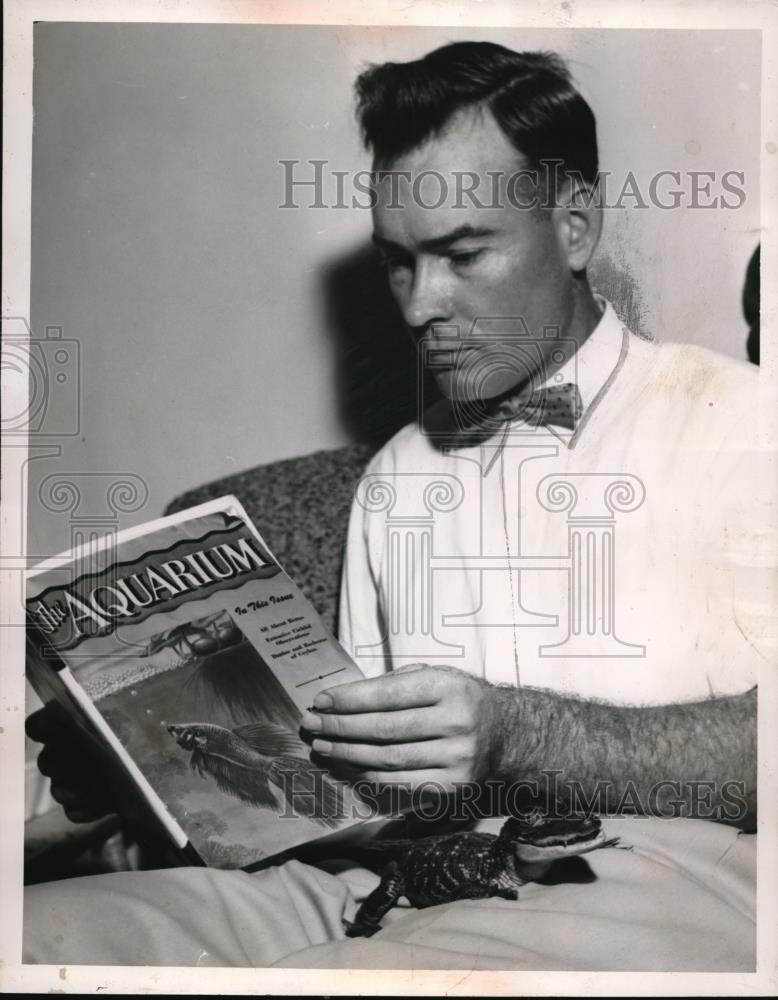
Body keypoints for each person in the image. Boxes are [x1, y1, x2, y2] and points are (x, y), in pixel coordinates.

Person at [24, 42, 768, 970]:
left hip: (650, 878)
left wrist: (518, 738)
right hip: (386, 879)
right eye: (399, 264)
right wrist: (151, 771)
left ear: (575, 227)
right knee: (44, 935)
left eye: (461, 255)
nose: (420, 308)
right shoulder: (395, 477)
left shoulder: (747, 424)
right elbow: (351, 800)